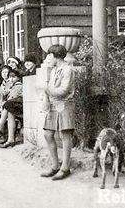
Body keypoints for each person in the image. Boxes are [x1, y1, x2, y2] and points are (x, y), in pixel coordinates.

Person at [41, 44, 76, 181]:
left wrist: (46, 89)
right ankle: (55, 166)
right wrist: (45, 99)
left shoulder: (68, 70)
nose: (47, 58)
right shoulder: (54, 70)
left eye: (49, 55)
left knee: (65, 136)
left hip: (65, 105)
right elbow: (47, 89)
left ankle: (65, 168)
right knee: (48, 134)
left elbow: (63, 91)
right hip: (53, 105)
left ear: (57, 56)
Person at [0, 69, 24, 148]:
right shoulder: (12, 85)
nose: (11, 79)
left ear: (18, 78)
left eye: (14, 77)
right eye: (10, 77)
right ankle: (10, 139)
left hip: (21, 107)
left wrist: (3, 106)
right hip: (15, 107)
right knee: (10, 112)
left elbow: (11, 99)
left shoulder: (18, 86)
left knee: (8, 106)